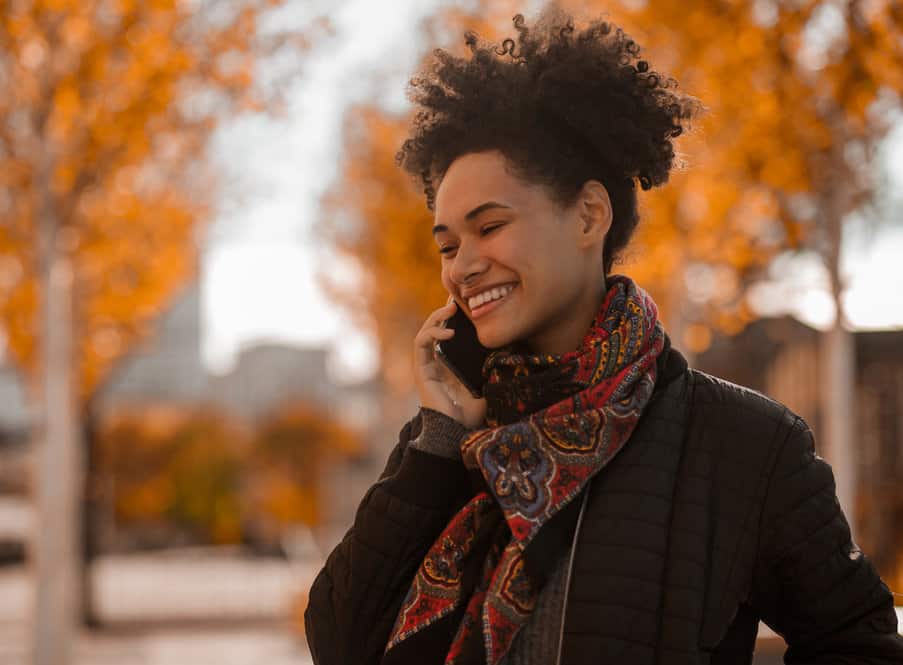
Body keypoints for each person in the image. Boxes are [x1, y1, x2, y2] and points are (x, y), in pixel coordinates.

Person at [304, 9, 903, 665]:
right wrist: (437, 439)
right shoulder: (450, 439)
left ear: (588, 214)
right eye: (447, 244)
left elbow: (858, 644)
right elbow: (339, 640)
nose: (462, 264)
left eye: (489, 225)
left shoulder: (744, 445)